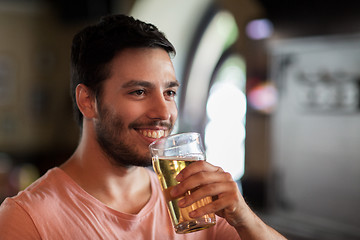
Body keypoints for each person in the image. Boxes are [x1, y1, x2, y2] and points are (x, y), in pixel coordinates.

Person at [0, 14, 286, 240]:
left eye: (170, 93)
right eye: (139, 92)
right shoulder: (27, 218)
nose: (163, 112)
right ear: (87, 101)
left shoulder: (192, 201)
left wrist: (243, 216)